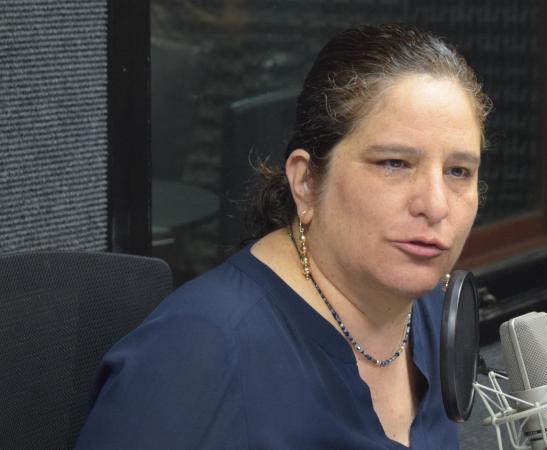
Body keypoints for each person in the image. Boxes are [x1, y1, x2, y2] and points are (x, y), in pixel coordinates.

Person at [75, 23, 491, 449]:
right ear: (306, 182)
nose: (436, 205)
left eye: (459, 171)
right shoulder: (196, 351)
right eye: (394, 163)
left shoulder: (430, 310)